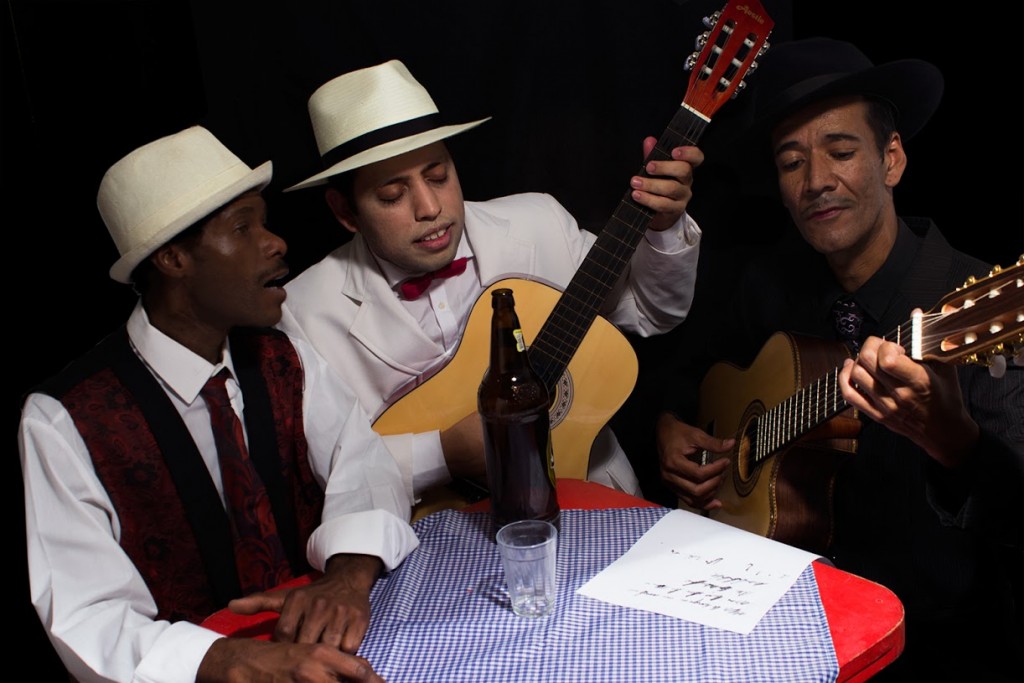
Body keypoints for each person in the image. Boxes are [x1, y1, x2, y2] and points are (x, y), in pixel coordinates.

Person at [657, 38, 1024, 681]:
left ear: (892, 159)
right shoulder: (767, 287)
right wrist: (668, 426)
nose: (816, 181)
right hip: (774, 614)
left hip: (929, 644)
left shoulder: (968, 305)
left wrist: (954, 442)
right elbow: (699, 380)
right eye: (791, 161)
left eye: (842, 151)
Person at [18, 126, 420, 682]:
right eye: (242, 228)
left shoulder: (284, 356)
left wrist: (347, 577)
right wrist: (227, 659)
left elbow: (365, 465)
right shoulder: (64, 419)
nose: (276, 242)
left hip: (330, 656)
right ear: (174, 259)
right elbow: (86, 614)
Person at [278, 59, 704, 505]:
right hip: (440, 535)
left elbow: (652, 314)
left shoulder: (539, 222)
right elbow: (320, 467)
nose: (429, 207)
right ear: (345, 212)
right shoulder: (304, 312)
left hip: (594, 493)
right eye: (392, 194)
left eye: (438, 176)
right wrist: (445, 453)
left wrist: (662, 228)